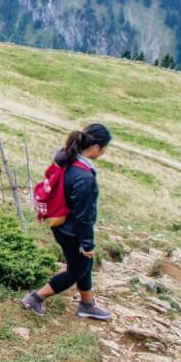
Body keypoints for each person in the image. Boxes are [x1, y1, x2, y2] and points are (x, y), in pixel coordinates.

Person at [22, 123, 113, 320]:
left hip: (61, 224)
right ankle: (36, 298)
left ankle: (87, 304)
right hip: (72, 230)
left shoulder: (67, 159)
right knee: (76, 271)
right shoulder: (84, 177)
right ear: (96, 147)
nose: (104, 152)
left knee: (84, 264)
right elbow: (83, 215)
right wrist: (87, 242)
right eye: (105, 148)